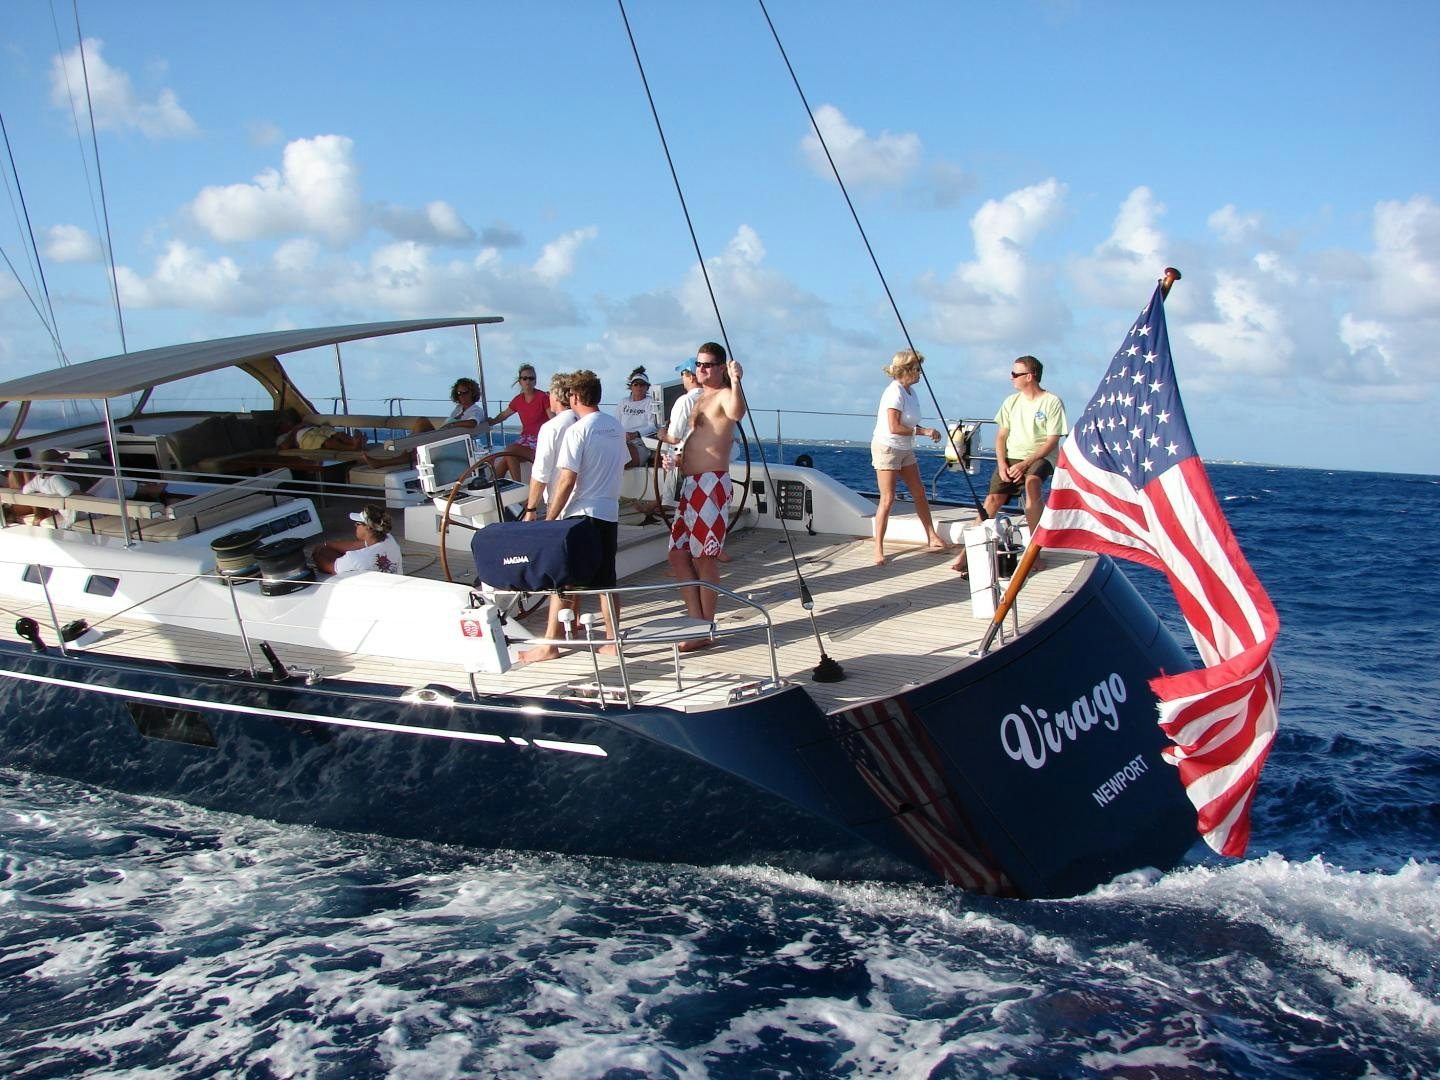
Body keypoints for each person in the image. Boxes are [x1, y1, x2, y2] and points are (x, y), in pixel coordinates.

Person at [518, 370, 629, 665]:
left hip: (582, 513)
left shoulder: (578, 431)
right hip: (609, 511)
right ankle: (612, 640)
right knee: (606, 580)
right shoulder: (615, 427)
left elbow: (567, 480)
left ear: (575, 397)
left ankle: (550, 644)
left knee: (563, 580)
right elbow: (624, 462)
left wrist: (550, 519)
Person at [954, 354, 1067, 572]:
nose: (1011, 377)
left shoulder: (1052, 402)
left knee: (1032, 483)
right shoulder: (1010, 402)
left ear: (1030, 376)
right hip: (1010, 457)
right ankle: (967, 553)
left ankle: (1035, 553)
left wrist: (1025, 464)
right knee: (992, 500)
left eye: (1016, 373)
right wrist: (1002, 463)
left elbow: (1053, 440)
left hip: (1040, 457)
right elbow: (1001, 436)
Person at [667, 342, 745, 649]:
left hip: (710, 486)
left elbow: (737, 412)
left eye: (709, 364)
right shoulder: (700, 397)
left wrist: (737, 381)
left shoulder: (724, 394)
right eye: (699, 364)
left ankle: (704, 629)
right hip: (691, 485)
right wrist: (677, 457)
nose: (702, 369)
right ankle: (697, 621)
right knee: (677, 554)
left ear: (722, 367)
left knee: (705, 557)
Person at [871, 349, 948, 566]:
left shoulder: (910, 393)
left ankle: (931, 536)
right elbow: (894, 426)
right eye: (917, 369)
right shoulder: (893, 392)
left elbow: (909, 422)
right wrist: (923, 432)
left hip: (905, 448)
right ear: (907, 370)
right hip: (887, 448)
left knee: (919, 492)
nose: (920, 373)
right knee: (888, 499)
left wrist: (922, 430)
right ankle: (878, 548)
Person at [521, 372, 576, 521]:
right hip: (587, 503)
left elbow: (541, 473)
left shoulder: (551, 428)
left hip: (561, 504)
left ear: (556, 396)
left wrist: (531, 509)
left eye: (549, 393)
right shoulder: (585, 422)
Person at [485, 364, 550, 482]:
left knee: (509, 450)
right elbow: (504, 415)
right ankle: (489, 488)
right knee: (506, 459)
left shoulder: (543, 397)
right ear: (520, 381)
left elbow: (553, 419)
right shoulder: (518, 400)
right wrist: (491, 421)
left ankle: (518, 486)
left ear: (535, 381)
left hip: (540, 442)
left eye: (531, 378)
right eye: (524, 378)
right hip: (525, 441)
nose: (528, 381)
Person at [312, 504, 404, 576]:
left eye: (358, 523)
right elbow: (355, 545)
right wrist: (327, 544)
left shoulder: (355, 559)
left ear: (368, 528)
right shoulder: (389, 539)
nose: (355, 525)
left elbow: (327, 567)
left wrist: (317, 552)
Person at [615, 366, 657, 468]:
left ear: (647, 387)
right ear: (631, 387)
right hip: (621, 441)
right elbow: (615, 423)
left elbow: (653, 426)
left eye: (642, 384)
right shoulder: (623, 402)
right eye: (636, 384)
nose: (638, 387)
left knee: (623, 460)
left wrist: (635, 434)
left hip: (642, 442)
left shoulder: (651, 402)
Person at [277, 408, 367, 452]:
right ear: (281, 428)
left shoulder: (298, 425)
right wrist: (295, 430)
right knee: (326, 441)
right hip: (304, 438)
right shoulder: (283, 437)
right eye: (284, 424)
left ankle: (353, 441)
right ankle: (352, 447)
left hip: (315, 430)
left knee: (339, 434)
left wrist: (309, 425)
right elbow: (284, 446)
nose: (288, 424)